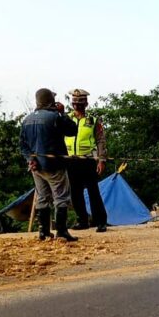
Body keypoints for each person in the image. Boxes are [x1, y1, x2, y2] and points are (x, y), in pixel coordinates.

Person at [19, 88, 79, 242]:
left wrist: (29, 160)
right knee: (61, 197)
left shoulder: (27, 119)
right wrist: (62, 113)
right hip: (54, 165)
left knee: (42, 197)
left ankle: (44, 232)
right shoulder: (54, 117)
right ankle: (61, 231)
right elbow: (73, 130)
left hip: (35, 166)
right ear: (50, 100)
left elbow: (23, 146)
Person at [64, 88, 108, 232]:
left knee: (93, 192)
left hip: (88, 160)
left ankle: (101, 222)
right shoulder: (66, 119)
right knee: (75, 193)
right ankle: (82, 221)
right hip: (70, 160)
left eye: (80, 103)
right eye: (75, 102)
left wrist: (101, 160)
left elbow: (101, 141)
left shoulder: (93, 121)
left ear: (86, 104)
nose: (77, 106)